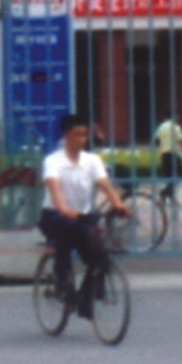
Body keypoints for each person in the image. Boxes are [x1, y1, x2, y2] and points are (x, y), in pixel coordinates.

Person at [40, 114, 128, 320]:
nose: (82, 139)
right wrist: (63, 208)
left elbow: (105, 184)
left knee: (98, 255)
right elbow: (54, 187)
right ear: (66, 135)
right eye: (77, 134)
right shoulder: (53, 161)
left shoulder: (92, 160)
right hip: (55, 215)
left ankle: (85, 299)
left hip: (82, 217)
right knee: (67, 231)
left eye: (85, 134)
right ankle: (61, 280)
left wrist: (118, 203)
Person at [152, 111, 182, 204]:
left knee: (169, 178)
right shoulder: (176, 127)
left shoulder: (161, 127)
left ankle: (171, 197)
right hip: (175, 155)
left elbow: (156, 140)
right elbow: (181, 141)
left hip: (164, 154)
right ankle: (164, 193)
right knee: (176, 177)